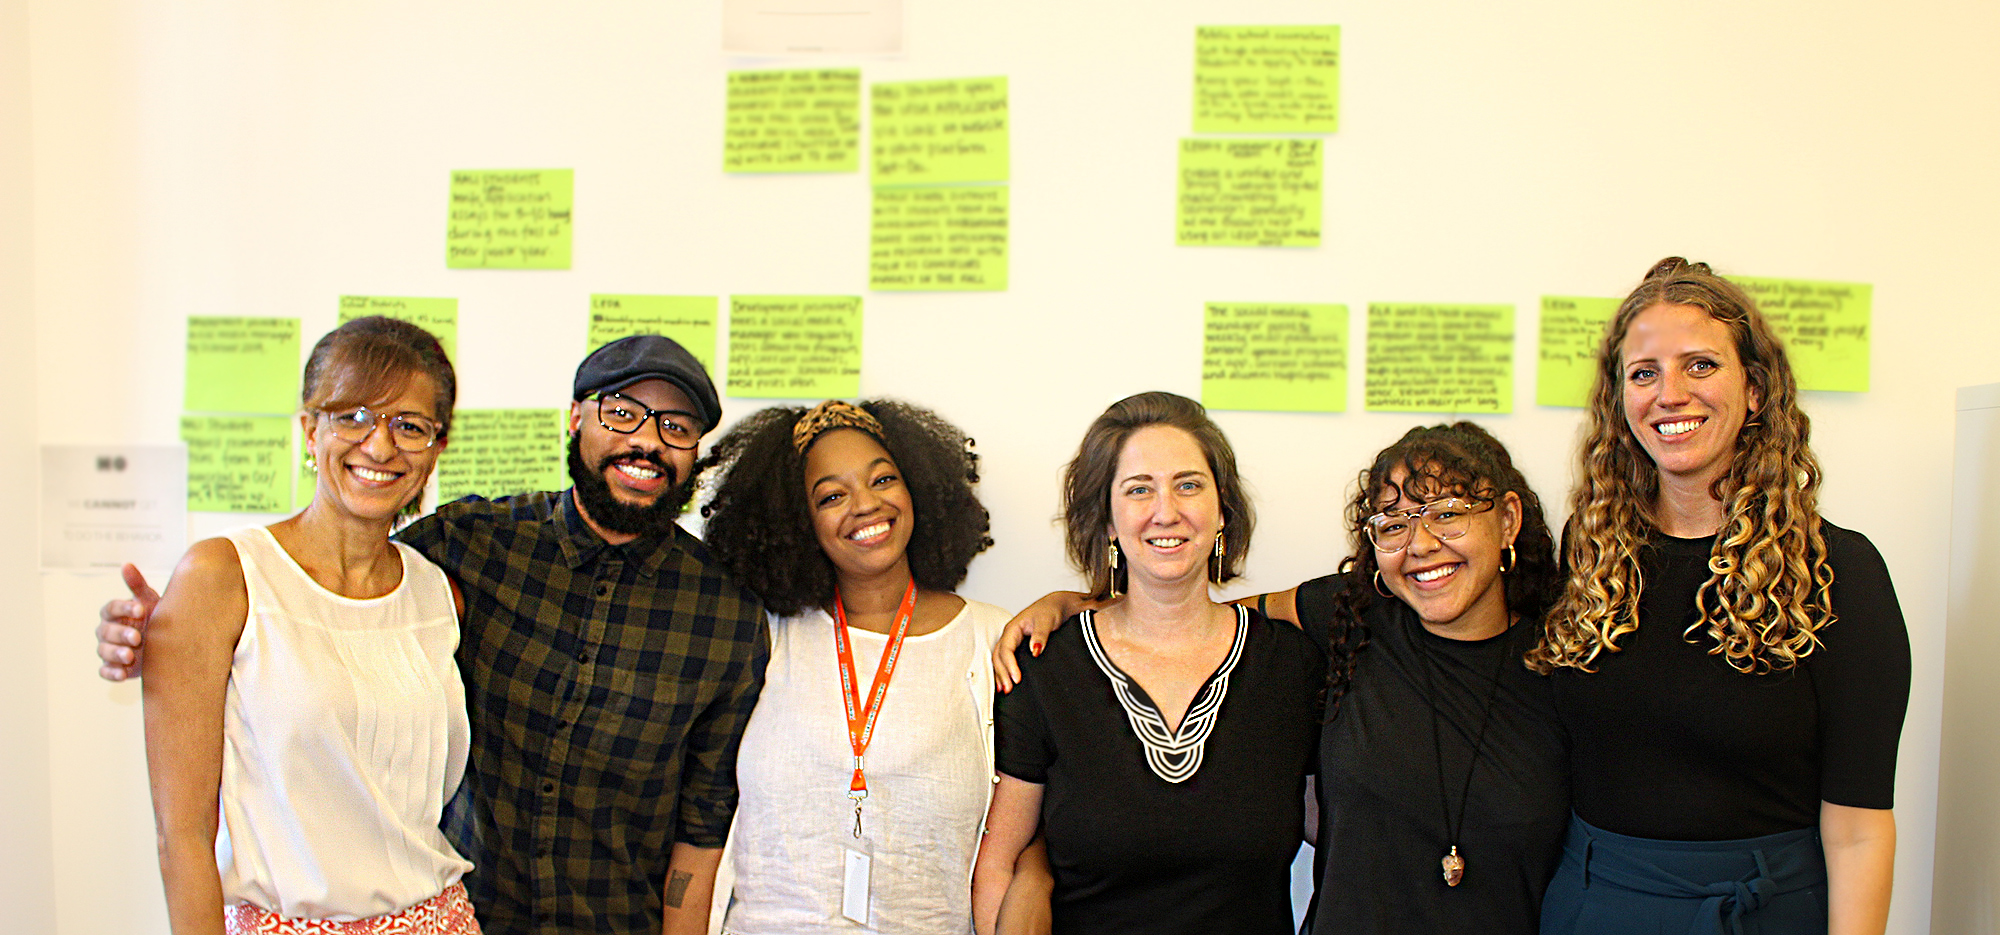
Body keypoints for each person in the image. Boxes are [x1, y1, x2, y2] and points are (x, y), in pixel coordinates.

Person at [102, 334, 770, 935]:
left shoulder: (724, 612)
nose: (647, 441)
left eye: (676, 427)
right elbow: (307, 602)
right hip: (470, 912)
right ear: (575, 418)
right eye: (622, 412)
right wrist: (175, 631)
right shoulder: (470, 548)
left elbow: (702, 822)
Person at [994, 422, 1571, 934]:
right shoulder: (1349, 616)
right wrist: (1081, 606)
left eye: (1447, 513)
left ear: (1508, 520)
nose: (1420, 544)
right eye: (1394, 523)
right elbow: (1189, 611)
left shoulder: (1565, 665)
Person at [1528, 258, 1911, 935]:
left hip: (1764, 911)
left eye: (1700, 365)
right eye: (1644, 373)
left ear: (1755, 390)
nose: (1670, 394)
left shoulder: (1840, 571)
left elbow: (1858, 831)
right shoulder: (1589, 555)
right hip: (1596, 906)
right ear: (1619, 400)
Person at [141, 316, 477, 934]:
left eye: (409, 425)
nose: (380, 446)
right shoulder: (226, 576)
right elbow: (180, 836)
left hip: (442, 920)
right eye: (352, 416)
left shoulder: (436, 593)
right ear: (309, 429)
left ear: (437, 449)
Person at [971, 391, 1323, 935]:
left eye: (1189, 485)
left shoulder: (1292, 666)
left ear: (1222, 509)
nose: (1167, 511)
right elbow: (1000, 862)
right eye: (1139, 489)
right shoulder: (1045, 667)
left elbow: (1348, 831)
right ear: (1108, 522)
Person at [691, 398, 1011, 934]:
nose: (865, 504)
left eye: (883, 479)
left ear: (918, 489)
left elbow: (1023, 849)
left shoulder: (991, 637)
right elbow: (698, 819)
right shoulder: (763, 633)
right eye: (831, 496)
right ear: (797, 521)